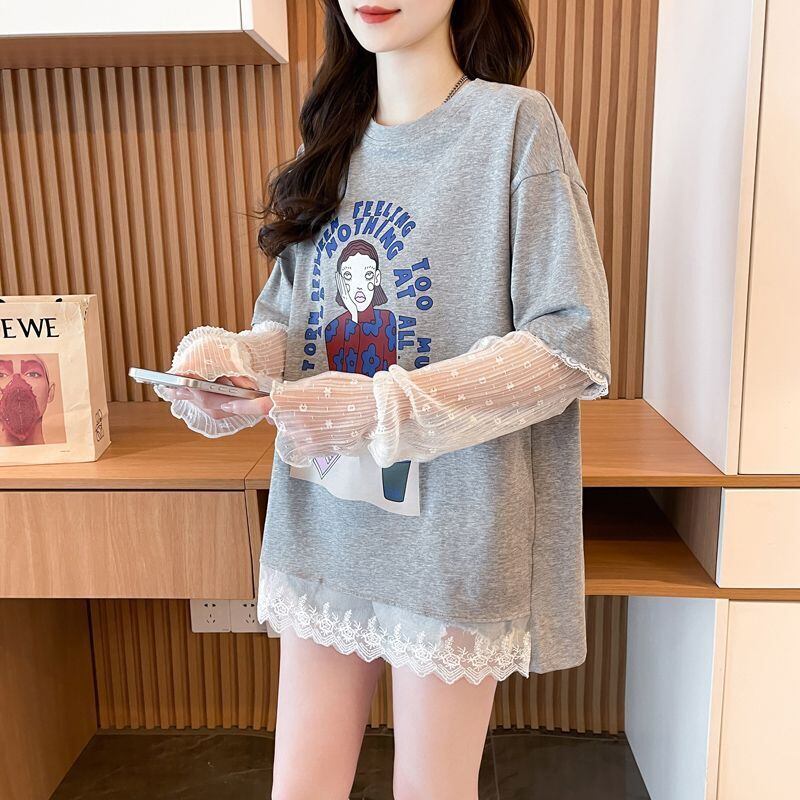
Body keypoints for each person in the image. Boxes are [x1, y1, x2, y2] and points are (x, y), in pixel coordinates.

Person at [157, 1, 612, 797]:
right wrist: (235, 362)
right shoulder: (331, 143)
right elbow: (294, 324)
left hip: (452, 528)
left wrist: (384, 408)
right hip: (327, 515)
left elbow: (568, 346)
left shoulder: (512, 126)